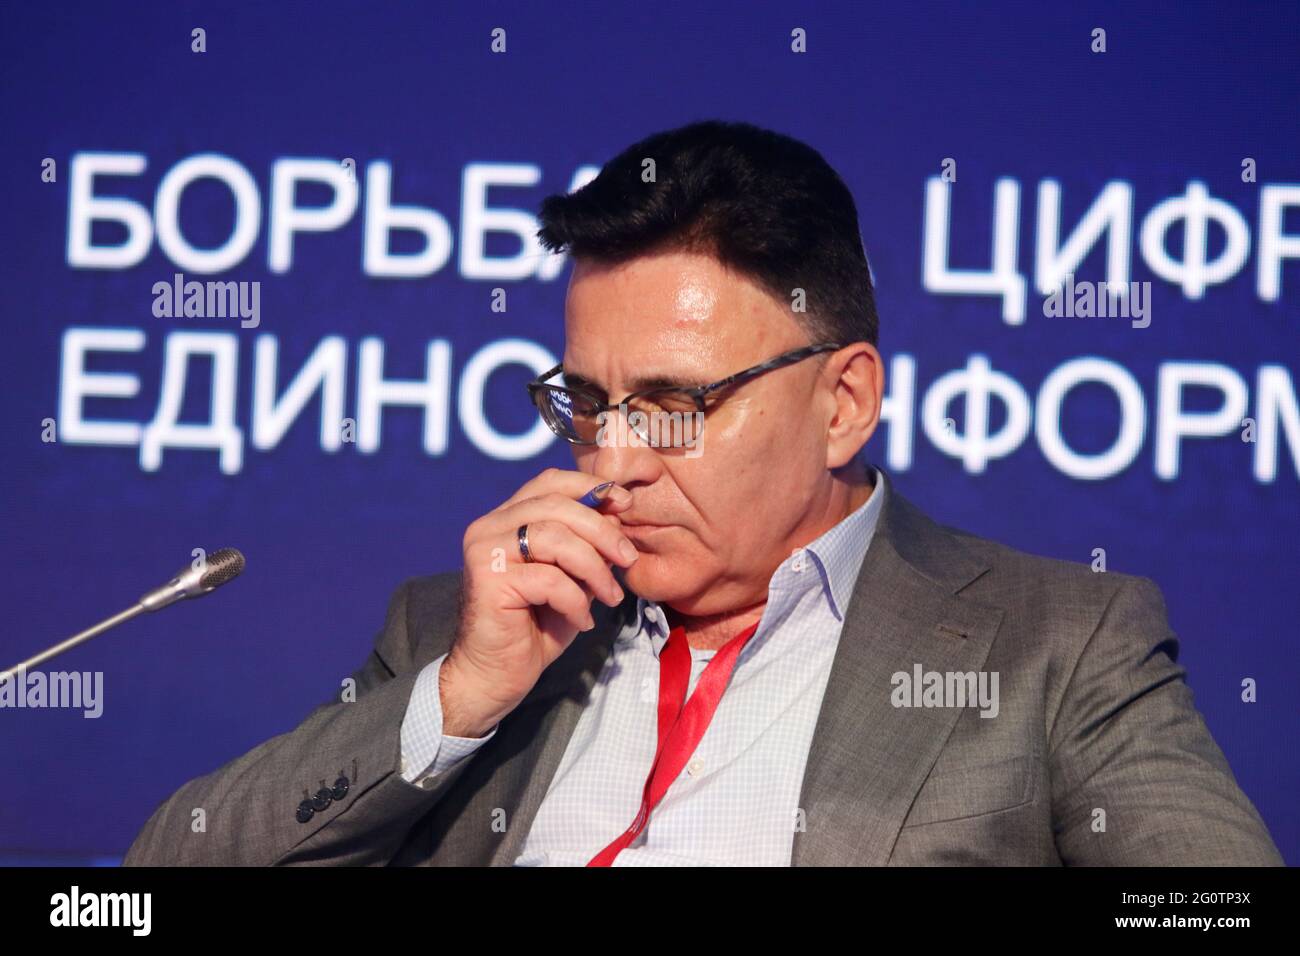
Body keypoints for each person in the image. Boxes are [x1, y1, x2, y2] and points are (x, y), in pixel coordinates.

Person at [124, 120, 1282, 866]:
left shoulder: (1057, 645)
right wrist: (462, 696)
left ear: (842, 401)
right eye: (587, 401)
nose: (614, 459)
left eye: (676, 402)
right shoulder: (467, 627)